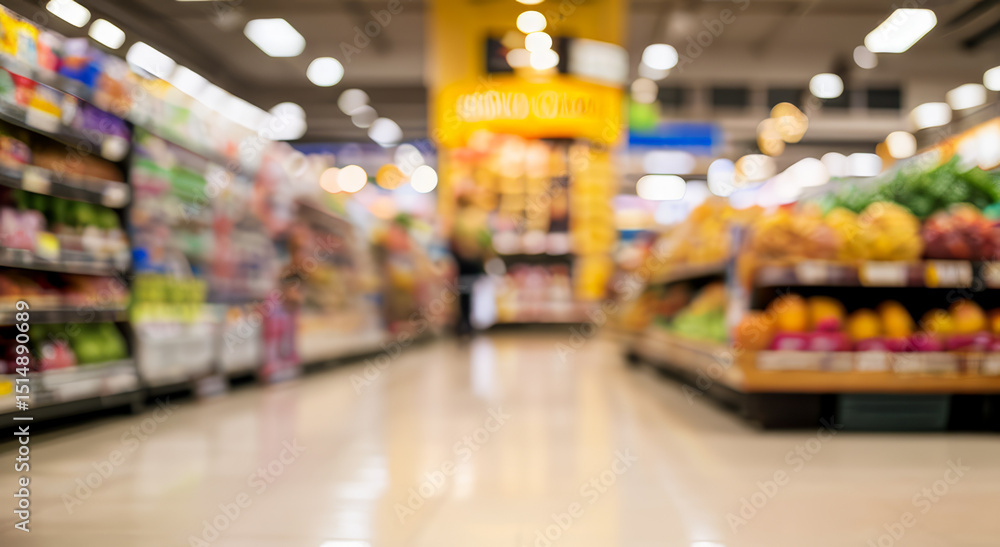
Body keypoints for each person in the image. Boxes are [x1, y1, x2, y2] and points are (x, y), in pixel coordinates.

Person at [449, 192, 491, 337]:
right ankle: (474, 321)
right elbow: (486, 238)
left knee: (464, 291)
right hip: (475, 259)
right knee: (475, 289)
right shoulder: (480, 216)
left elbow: (453, 238)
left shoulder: (458, 217)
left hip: (462, 260)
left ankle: (465, 322)